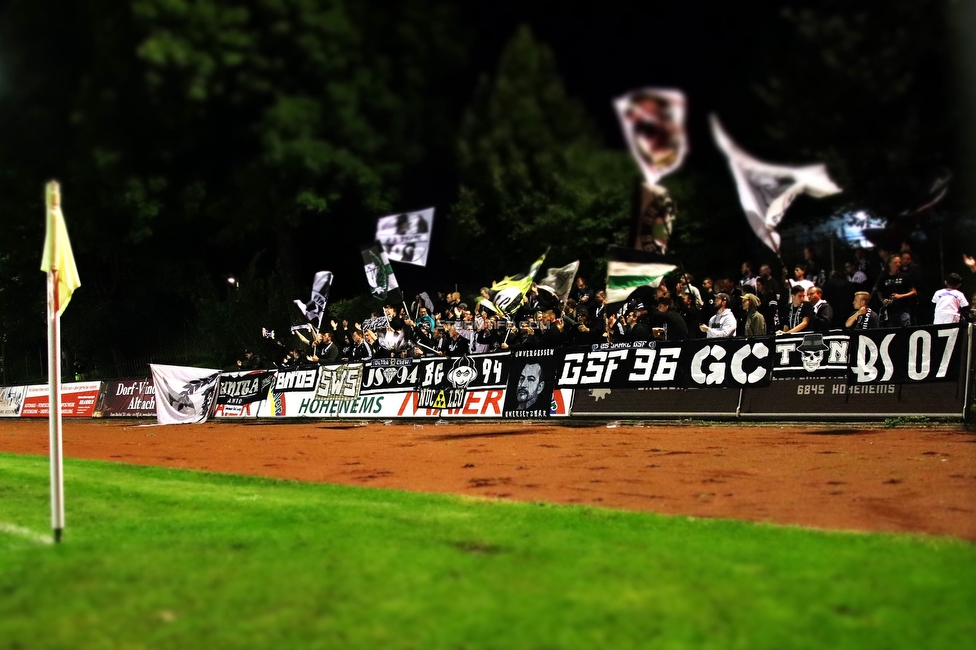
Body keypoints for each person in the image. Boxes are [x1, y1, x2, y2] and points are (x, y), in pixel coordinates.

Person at [874, 254, 916, 327]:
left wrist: (900, 296)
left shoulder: (905, 276)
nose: (898, 264)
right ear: (890, 264)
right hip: (890, 311)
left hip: (903, 309)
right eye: (895, 262)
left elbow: (914, 292)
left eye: (899, 262)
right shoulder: (884, 278)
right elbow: (879, 291)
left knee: (905, 331)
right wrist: (883, 300)